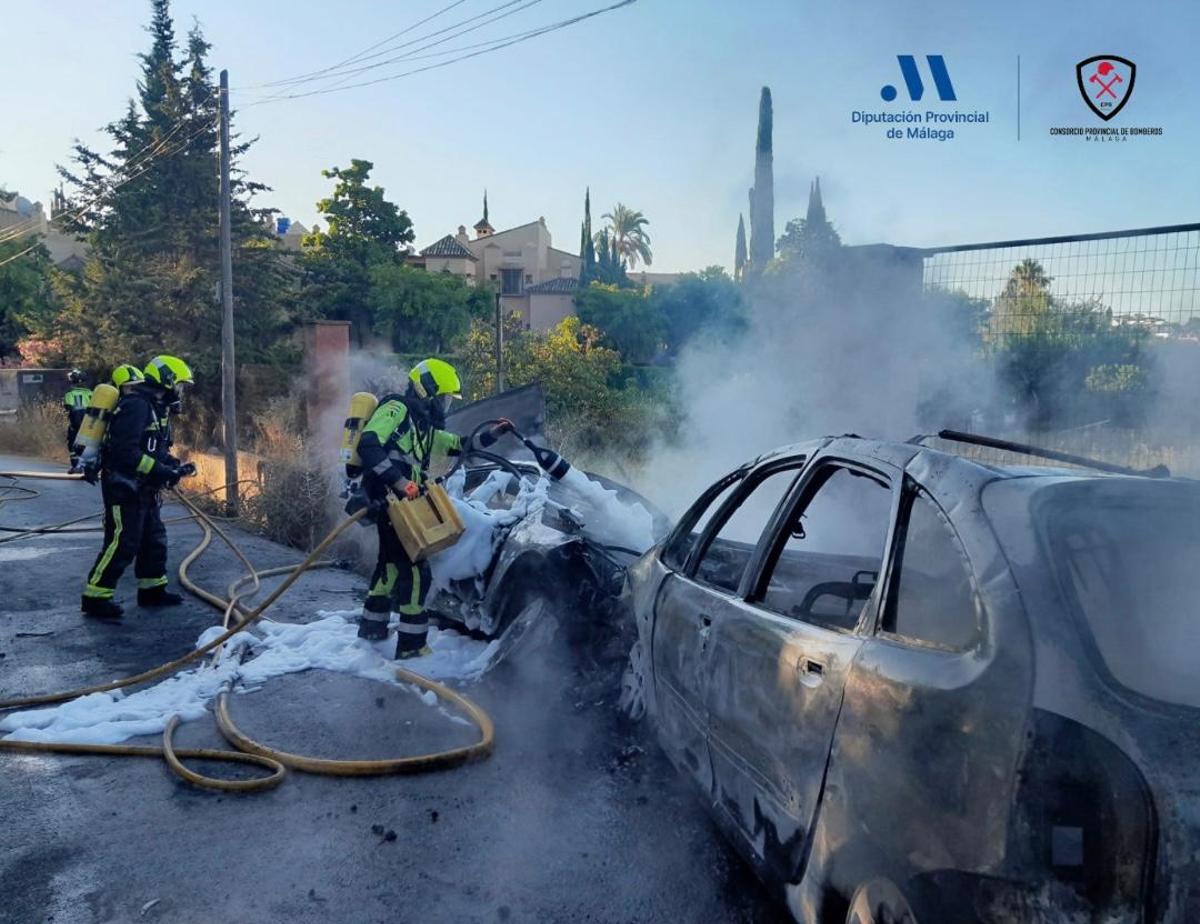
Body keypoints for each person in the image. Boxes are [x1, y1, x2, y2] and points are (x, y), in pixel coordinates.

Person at [355, 359, 505, 659]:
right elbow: (368, 444)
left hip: (399, 506)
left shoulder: (422, 429)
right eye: (444, 397)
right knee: (416, 572)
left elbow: (461, 446)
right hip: (389, 502)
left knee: (390, 567)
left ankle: (372, 629)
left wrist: (494, 434)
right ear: (429, 391)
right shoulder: (396, 410)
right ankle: (411, 646)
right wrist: (399, 482)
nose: (445, 405)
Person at [80, 354, 197, 621]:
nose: (180, 391)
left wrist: (174, 466)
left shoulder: (155, 408)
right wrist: (161, 472)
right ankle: (96, 597)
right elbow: (125, 453)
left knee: (153, 539)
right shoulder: (136, 406)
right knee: (123, 542)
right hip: (124, 487)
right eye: (179, 384)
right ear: (167, 380)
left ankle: (152, 590)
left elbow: (154, 449)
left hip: (144, 488)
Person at [62, 369, 93, 471]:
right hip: (89, 423)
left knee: (72, 444)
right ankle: (88, 465)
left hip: (75, 422)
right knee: (87, 444)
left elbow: (67, 407)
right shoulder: (90, 393)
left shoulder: (69, 393)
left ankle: (76, 465)